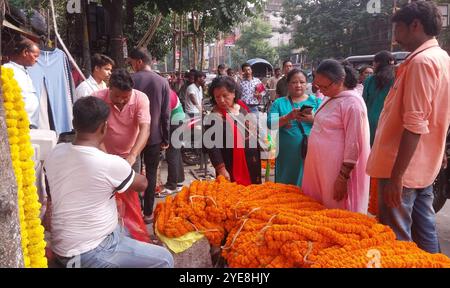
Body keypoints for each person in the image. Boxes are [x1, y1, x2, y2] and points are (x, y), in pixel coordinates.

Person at [44, 96, 173, 268]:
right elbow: (142, 184)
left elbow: (51, 185)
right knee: (165, 259)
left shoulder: (55, 152)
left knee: (123, 229)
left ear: (74, 123)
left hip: (64, 246)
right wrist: (127, 165)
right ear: (105, 127)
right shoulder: (108, 163)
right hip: (91, 251)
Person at [366, 1, 450, 253]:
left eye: (398, 29)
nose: (395, 37)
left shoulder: (421, 63)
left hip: (401, 168)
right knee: (424, 231)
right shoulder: (441, 57)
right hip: (422, 165)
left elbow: (415, 124)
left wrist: (396, 177)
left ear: (415, 25)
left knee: (396, 240)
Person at [302, 59, 371, 213]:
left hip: (335, 171)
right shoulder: (330, 96)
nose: (321, 90)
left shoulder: (352, 104)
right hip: (319, 166)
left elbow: (354, 143)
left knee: (335, 211)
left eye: (324, 86)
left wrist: (342, 178)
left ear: (340, 81)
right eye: (318, 86)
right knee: (317, 209)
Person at [128, 48, 171, 224]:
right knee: (152, 174)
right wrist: (166, 138)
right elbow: (165, 114)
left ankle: (134, 211)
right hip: (154, 136)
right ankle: (148, 213)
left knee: (133, 174)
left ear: (139, 61)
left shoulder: (131, 80)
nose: (131, 65)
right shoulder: (162, 82)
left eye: (131, 62)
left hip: (133, 137)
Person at [268, 69, 322, 187]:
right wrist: (288, 117)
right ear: (288, 84)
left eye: (302, 82)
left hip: (311, 150)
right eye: (294, 82)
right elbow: (270, 124)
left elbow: (327, 124)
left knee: (308, 182)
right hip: (287, 153)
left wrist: (312, 119)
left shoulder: (316, 101)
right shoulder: (279, 103)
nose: (298, 85)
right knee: (286, 182)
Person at [205, 76, 262, 185]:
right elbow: (212, 147)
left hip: (251, 161)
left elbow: (252, 127)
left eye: (225, 95)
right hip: (230, 165)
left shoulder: (241, 108)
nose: (221, 100)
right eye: (217, 97)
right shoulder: (214, 117)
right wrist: (221, 169)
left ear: (234, 93)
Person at [93, 69, 151, 174]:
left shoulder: (141, 99)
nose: (120, 100)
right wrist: (106, 158)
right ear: (109, 88)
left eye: (125, 97)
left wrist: (133, 155)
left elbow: (145, 129)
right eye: (116, 96)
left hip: (131, 155)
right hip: (104, 156)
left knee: (132, 187)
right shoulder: (97, 99)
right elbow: (95, 131)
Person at [3, 37, 40, 128]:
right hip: (17, 127)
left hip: (29, 124)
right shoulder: (8, 70)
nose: (37, 60)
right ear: (25, 52)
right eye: (35, 56)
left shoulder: (24, 71)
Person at [362, 51, 395, 146]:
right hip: (390, 121)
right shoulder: (397, 80)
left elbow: (364, 101)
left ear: (377, 63)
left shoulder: (370, 80)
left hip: (370, 121)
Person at [160, 89, 186, 196]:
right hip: (177, 121)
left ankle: (172, 185)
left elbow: (164, 117)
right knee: (175, 153)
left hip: (175, 122)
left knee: (172, 154)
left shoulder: (167, 95)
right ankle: (179, 182)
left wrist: (164, 138)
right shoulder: (165, 91)